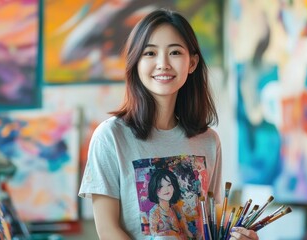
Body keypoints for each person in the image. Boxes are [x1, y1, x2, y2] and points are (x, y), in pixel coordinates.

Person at [78, 9, 259, 240]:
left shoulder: (209, 141)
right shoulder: (110, 136)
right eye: (150, 53)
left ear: (192, 63)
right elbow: (107, 231)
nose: (163, 64)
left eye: (174, 52)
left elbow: (208, 229)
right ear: (135, 62)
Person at [147, 169, 192, 239]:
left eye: (169, 185)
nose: (166, 189)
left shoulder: (176, 209)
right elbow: (154, 234)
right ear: (154, 189)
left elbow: (186, 231)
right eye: (161, 186)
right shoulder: (154, 212)